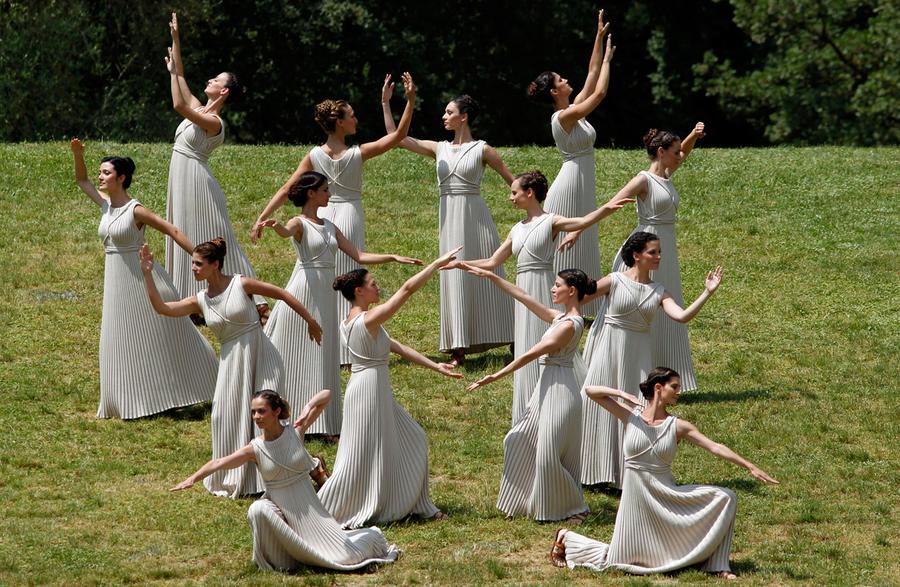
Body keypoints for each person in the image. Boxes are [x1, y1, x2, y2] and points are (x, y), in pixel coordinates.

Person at [550, 368, 778, 579]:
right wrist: (621, 393)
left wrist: (749, 466)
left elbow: (715, 447)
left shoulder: (678, 425)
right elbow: (591, 392)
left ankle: (717, 564)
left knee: (726, 496)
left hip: (664, 492)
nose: (679, 392)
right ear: (658, 387)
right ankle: (567, 539)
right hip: (636, 497)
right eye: (675, 387)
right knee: (619, 558)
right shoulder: (631, 416)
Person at [252, 73, 417, 362]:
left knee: (325, 279)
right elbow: (399, 136)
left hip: (325, 214)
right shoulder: (357, 153)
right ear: (339, 122)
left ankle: (330, 343)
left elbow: (287, 188)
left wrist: (262, 217)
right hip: (349, 216)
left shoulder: (315, 155)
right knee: (350, 277)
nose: (356, 120)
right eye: (351, 116)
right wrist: (406, 100)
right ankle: (345, 342)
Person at [443, 170, 631, 424]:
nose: (511, 198)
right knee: (525, 345)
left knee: (549, 345)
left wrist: (607, 208)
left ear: (529, 193)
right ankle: (528, 412)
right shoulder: (516, 229)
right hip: (522, 291)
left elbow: (582, 222)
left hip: (545, 289)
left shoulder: (551, 221)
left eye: (514, 192)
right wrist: (460, 264)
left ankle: (562, 403)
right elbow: (492, 261)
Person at [139, 239, 322, 498]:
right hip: (231, 364)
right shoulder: (201, 299)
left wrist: (310, 321)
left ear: (215, 265)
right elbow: (163, 308)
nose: (193, 268)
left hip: (261, 355)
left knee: (269, 420)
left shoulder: (241, 283)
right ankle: (240, 478)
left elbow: (281, 293)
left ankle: (297, 470)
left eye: (198, 264)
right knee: (223, 417)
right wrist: (147, 274)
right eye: (192, 263)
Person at [258, 171, 422, 437]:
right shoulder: (298, 222)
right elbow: (285, 232)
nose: (329, 194)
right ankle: (280, 413)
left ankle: (323, 423)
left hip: (325, 295)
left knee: (323, 352)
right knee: (292, 348)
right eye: (325, 190)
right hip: (303, 288)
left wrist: (392, 256)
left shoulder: (331, 226)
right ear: (311, 193)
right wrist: (275, 226)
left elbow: (358, 254)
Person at [171, 389, 400, 571]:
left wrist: (307, 408)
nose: (256, 417)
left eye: (261, 411)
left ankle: (363, 542)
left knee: (347, 556)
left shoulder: (295, 431)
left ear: (276, 411)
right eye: (253, 412)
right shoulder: (255, 448)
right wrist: (192, 478)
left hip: (312, 512)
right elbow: (219, 463)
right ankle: (281, 558)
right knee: (257, 509)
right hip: (283, 512)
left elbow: (327, 394)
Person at [69, 138, 217, 419]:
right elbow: (81, 181)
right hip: (117, 283)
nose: (101, 177)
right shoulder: (106, 207)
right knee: (121, 339)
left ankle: (201, 382)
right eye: (101, 172)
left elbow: (172, 230)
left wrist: (201, 257)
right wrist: (78, 155)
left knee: (165, 338)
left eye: (107, 173)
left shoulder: (136, 210)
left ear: (121, 178)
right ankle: (130, 400)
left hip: (143, 280)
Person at [317, 249, 464, 528]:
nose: (378, 287)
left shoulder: (354, 322)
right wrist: (434, 264)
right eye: (373, 284)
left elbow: (398, 348)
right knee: (364, 451)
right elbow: (407, 290)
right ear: (359, 291)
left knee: (412, 438)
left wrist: (436, 367)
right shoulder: (366, 320)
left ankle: (410, 503)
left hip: (370, 388)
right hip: (368, 391)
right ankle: (355, 503)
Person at [382, 85, 514, 366]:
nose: (444, 116)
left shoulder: (483, 150)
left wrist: (535, 212)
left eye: (449, 112)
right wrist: (396, 103)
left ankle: (512, 335)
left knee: (483, 275)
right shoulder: (438, 148)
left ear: (463, 117)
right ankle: (458, 348)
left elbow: (515, 183)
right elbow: (398, 138)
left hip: (476, 218)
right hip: (449, 219)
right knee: (452, 276)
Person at [579, 231, 723, 487]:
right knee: (601, 404)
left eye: (659, 252)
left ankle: (625, 476)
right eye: (652, 252)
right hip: (609, 350)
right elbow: (579, 299)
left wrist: (707, 293)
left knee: (635, 410)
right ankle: (593, 471)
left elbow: (682, 316)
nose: (658, 257)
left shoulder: (659, 291)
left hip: (639, 352)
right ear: (636, 255)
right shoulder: (614, 281)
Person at [463, 265, 594, 523]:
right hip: (545, 388)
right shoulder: (559, 318)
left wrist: (496, 376)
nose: (552, 288)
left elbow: (532, 353)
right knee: (518, 439)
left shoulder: (569, 325)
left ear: (572, 290)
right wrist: (492, 277)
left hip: (561, 390)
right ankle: (524, 501)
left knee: (548, 454)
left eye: (557, 285)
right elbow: (524, 297)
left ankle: (572, 507)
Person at [584, 123, 707, 389]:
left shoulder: (666, 173)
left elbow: (682, 153)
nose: (681, 156)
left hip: (665, 250)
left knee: (663, 307)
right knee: (636, 307)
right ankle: (615, 369)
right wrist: (578, 229)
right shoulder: (643, 180)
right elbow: (611, 204)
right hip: (643, 248)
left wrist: (692, 136)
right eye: (675, 152)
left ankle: (661, 377)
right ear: (661, 152)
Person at [162, 13, 268, 318]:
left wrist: (173, 75)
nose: (209, 79)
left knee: (221, 240)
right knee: (184, 230)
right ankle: (193, 298)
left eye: (216, 80)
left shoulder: (213, 122)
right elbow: (180, 75)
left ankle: (258, 301)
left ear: (223, 92)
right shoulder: (201, 108)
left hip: (198, 181)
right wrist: (176, 40)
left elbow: (178, 104)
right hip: (182, 179)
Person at [526, 8, 615, 316]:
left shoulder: (572, 108)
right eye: (561, 79)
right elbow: (600, 91)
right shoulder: (564, 116)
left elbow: (590, 75)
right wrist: (608, 62)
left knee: (584, 236)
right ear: (554, 91)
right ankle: (555, 304)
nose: (567, 80)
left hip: (581, 177)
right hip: (570, 181)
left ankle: (581, 304)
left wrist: (598, 38)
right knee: (565, 241)